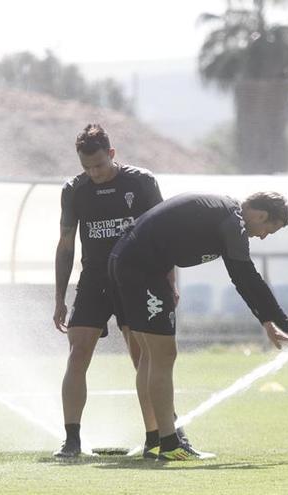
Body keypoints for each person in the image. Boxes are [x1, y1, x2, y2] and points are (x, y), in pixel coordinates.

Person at [108, 191, 288, 460]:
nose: (264, 235)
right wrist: (286, 325)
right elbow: (246, 277)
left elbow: (241, 277)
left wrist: (268, 321)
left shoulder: (226, 214)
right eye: (269, 228)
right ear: (261, 215)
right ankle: (169, 443)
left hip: (124, 262)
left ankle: (155, 440)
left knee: (151, 358)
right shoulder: (233, 222)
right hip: (141, 270)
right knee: (163, 356)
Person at [53, 123, 179, 459]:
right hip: (94, 279)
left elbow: (163, 236)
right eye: (86, 167)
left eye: (99, 165)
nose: (94, 173)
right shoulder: (74, 190)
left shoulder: (141, 182)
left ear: (112, 154)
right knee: (78, 353)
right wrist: (59, 297)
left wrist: (170, 282)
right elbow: (65, 245)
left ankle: (159, 436)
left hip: (137, 279)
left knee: (144, 358)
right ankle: (71, 440)